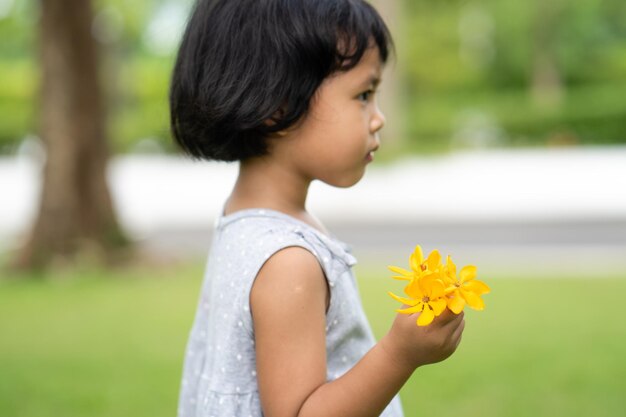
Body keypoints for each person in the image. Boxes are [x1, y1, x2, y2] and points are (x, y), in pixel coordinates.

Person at [170, 1, 465, 416]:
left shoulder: (244, 219)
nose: (378, 118)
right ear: (278, 105)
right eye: (363, 94)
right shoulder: (288, 260)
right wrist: (401, 353)